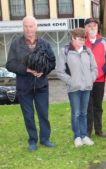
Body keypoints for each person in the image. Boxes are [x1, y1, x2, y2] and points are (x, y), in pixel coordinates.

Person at [6, 16, 56, 152]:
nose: (29, 29)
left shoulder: (44, 43)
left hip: (41, 86)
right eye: (26, 26)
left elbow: (52, 62)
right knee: (28, 116)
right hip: (24, 87)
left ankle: (45, 139)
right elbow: (9, 64)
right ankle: (32, 140)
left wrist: (43, 71)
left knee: (43, 114)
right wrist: (26, 69)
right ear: (23, 28)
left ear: (36, 27)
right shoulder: (16, 44)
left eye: (31, 26)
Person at [56, 28, 98, 147]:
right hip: (74, 88)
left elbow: (94, 68)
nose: (82, 41)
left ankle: (84, 136)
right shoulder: (65, 51)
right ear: (73, 38)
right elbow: (60, 71)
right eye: (80, 39)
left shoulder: (88, 51)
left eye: (84, 39)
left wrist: (91, 79)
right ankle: (77, 137)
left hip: (86, 87)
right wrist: (71, 81)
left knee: (84, 113)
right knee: (76, 113)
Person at [84, 18, 106, 138]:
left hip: (99, 80)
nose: (92, 28)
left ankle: (99, 130)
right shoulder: (81, 41)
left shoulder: (104, 42)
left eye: (94, 26)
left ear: (97, 27)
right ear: (85, 28)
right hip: (85, 80)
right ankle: (87, 131)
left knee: (98, 106)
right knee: (87, 107)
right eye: (89, 26)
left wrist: (103, 73)